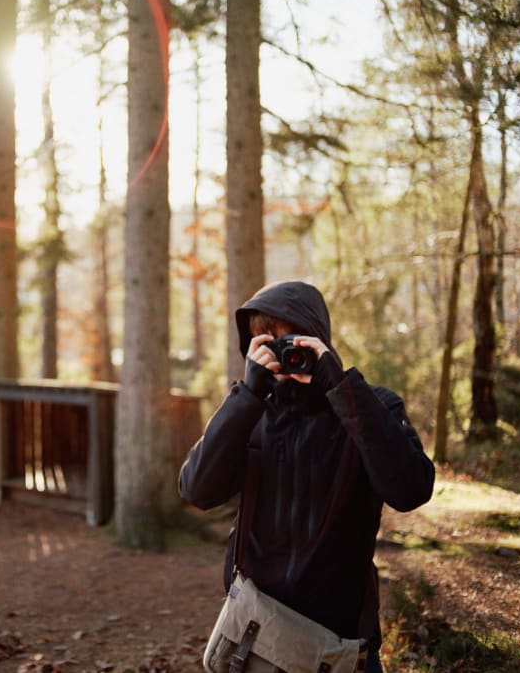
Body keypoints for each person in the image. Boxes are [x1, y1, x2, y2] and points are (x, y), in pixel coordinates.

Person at [179, 280, 435, 673]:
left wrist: (341, 388)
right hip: (258, 637)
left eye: (292, 342)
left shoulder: (371, 405)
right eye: (268, 344)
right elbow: (197, 489)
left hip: (341, 643)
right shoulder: (252, 413)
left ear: (318, 341)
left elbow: (411, 489)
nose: (283, 355)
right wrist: (248, 394)